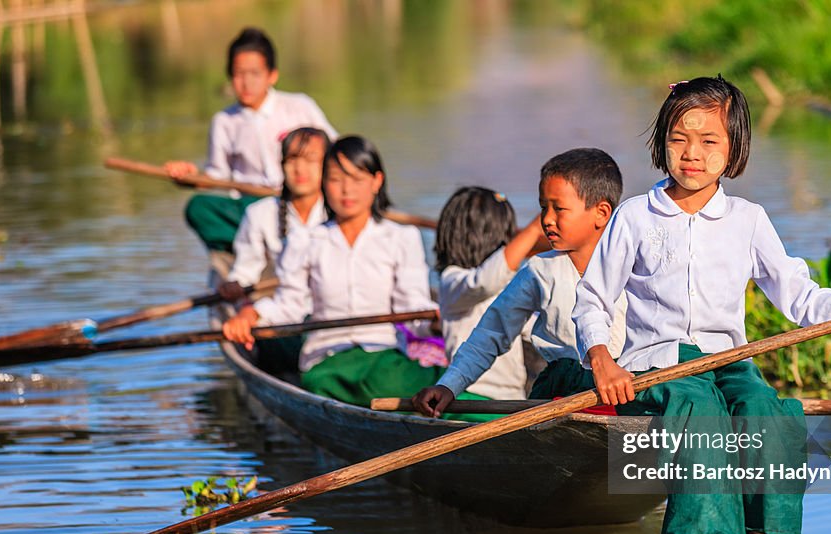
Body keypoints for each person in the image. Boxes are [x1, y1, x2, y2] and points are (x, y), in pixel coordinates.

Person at [572, 76, 831, 534]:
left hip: (730, 363)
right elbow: (592, 298)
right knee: (700, 411)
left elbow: (801, 298)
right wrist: (601, 358)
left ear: (734, 149)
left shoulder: (748, 220)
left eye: (709, 141)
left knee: (768, 409)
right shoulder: (635, 216)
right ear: (662, 141)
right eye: (679, 139)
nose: (692, 154)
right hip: (658, 367)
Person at [223, 135, 440, 406]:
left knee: (437, 383)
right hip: (327, 359)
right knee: (324, 382)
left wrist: (435, 321)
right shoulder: (305, 241)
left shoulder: (401, 238)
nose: (347, 190)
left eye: (357, 179)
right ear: (324, 184)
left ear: (376, 182)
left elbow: (412, 309)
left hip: (383, 354)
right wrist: (249, 314)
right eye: (336, 180)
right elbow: (288, 307)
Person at [412, 148, 627, 419]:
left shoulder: (634, 266)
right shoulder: (540, 270)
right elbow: (489, 335)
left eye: (558, 209)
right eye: (542, 208)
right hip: (559, 395)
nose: (546, 220)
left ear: (601, 213)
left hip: (624, 389)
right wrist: (448, 386)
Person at [165, 28, 336, 253]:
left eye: (254, 74)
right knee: (199, 209)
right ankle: (253, 247)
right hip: (253, 205)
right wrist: (187, 177)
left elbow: (336, 151)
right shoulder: (224, 121)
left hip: (301, 197)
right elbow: (217, 176)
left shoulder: (299, 107)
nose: (246, 83)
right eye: (238, 74)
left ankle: (290, 240)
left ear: (272, 75)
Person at [434, 187, 547, 408]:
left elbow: (536, 328)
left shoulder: (505, 284)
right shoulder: (452, 281)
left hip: (511, 397)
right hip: (467, 395)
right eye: (507, 238)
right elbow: (485, 282)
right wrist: (532, 231)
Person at [219, 126, 329, 301]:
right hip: (284, 308)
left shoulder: (341, 212)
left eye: (310, 159)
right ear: (281, 165)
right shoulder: (259, 213)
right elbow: (245, 271)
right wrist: (234, 285)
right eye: (292, 160)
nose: (300, 169)